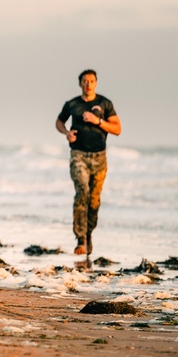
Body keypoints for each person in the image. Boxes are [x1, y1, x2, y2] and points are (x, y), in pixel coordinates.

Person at [55, 69, 122, 256]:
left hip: (100, 157)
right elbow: (59, 122)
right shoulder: (72, 104)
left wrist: (97, 120)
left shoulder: (105, 103)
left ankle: (89, 233)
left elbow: (117, 129)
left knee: (94, 200)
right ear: (80, 83)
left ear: (96, 83)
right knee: (82, 192)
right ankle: (80, 239)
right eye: (85, 81)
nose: (88, 84)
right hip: (79, 155)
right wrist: (66, 133)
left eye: (91, 81)